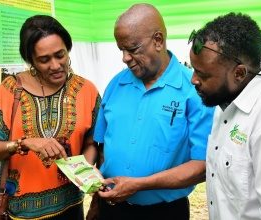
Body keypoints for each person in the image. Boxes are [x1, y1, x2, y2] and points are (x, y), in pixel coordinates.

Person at [86, 3, 214, 220]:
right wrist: (96, 200)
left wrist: (139, 185)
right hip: (112, 207)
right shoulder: (116, 85)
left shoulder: (193, 90)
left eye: (132, 49)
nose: (125, 58)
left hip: (164, 212)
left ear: (158, 40)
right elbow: (102, 147)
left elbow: (202, 166)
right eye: (121, 50)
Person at [0, 15, 101, 220]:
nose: (55, 65)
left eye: (60, 55)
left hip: (71, 206)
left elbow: (92, 143)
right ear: (31, 60)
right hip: (20, 212)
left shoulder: (85, 90)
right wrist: (24, 143)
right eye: (44, 60)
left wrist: (82, 172)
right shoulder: (10, 90)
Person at [188, 12, 261, 220]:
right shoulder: (224, 101)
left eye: (203, 75)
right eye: (194, 71)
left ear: (239, 73)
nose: (193, 80)